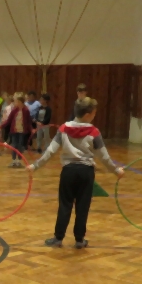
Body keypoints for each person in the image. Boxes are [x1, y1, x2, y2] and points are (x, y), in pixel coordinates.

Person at [28, 97, 124, 249]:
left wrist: (35, 166)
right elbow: (103, 157)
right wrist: (116, 170)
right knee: (82, 206)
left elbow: (50, 151)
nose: (94, 116)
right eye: (94, 113)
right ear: (87, 114)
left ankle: (58, 238)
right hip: (86, 172)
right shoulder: (94, 132)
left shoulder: (63, 129)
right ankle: (79, 240)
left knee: (64, 205)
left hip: (68, 172)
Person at [0, 93, 32, 168]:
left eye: (16, 101)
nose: (15, 103)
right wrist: (1, 126)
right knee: (14, 145)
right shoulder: (14, 110)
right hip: (14, 131)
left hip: (22, 131)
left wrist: (31, 129)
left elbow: (28, 121)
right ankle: (14, 160)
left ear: (20, 102)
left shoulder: (26, 110)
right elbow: (9, 120)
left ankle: (19, 161)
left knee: (20, 146)